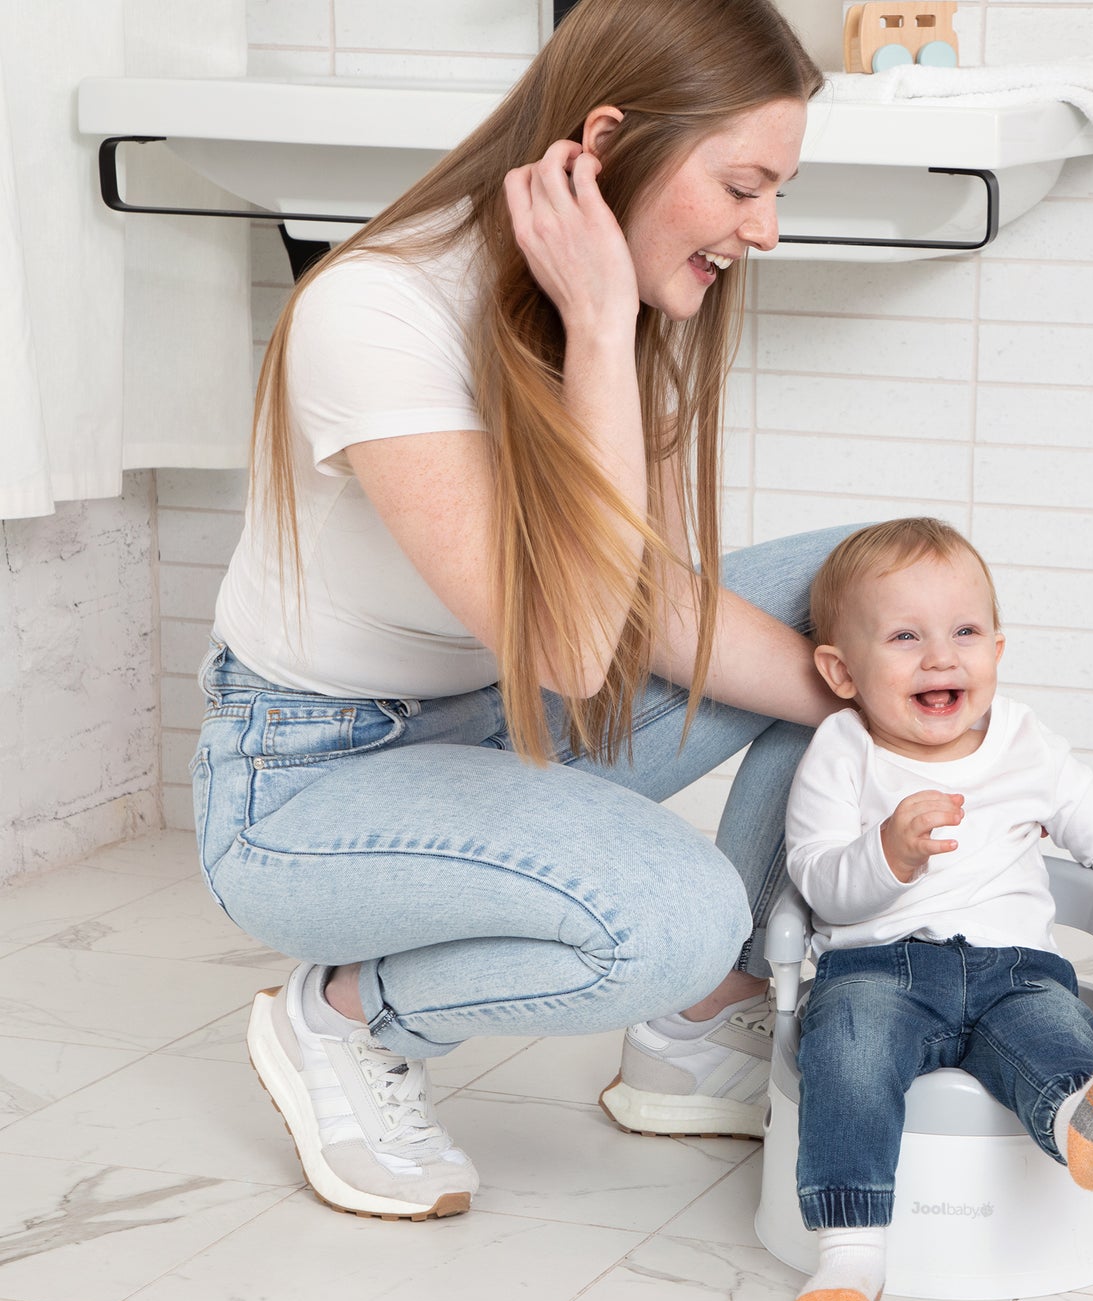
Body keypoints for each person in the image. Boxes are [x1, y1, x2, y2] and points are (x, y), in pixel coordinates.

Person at [191, 0, 845, 1225]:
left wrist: (893, 703)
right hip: (309, 786)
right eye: (743, 186)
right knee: (674, 914)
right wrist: (598, 327)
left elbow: (646, 599)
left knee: (876, 607)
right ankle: (338, 1017)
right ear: (603, 145)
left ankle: (698, 1029)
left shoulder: (609, 303)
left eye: (776, 193)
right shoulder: (378, 310)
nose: (764, 229)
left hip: (500, 724)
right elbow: (573, 643)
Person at [783, 518, 1093, 1301]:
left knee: (1051, 1033)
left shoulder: (1024, 743)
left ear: (997, 650)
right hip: (879, 970)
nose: (940, 657)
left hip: (1015, 968)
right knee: (849, 1051)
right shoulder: (841, 749)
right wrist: (885, 852)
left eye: (964, 632)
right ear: (841, 670)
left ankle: (1082, 1122)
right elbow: (816, 880)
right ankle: (851, 1250)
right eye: (905, 636)